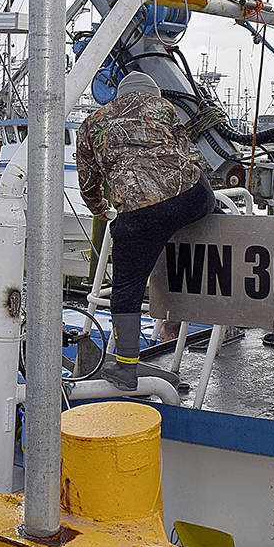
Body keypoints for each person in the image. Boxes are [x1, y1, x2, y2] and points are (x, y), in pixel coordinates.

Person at [77, 70, 211, 390]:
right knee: (198, 209)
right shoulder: (164, 108)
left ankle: (125, 366)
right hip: (191, 197)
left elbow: (88, 181)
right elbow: (189, 153)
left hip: (139, 213)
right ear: (152, 94)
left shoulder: (92, 123)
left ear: (118, 95)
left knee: (127, 287)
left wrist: (101, 210)